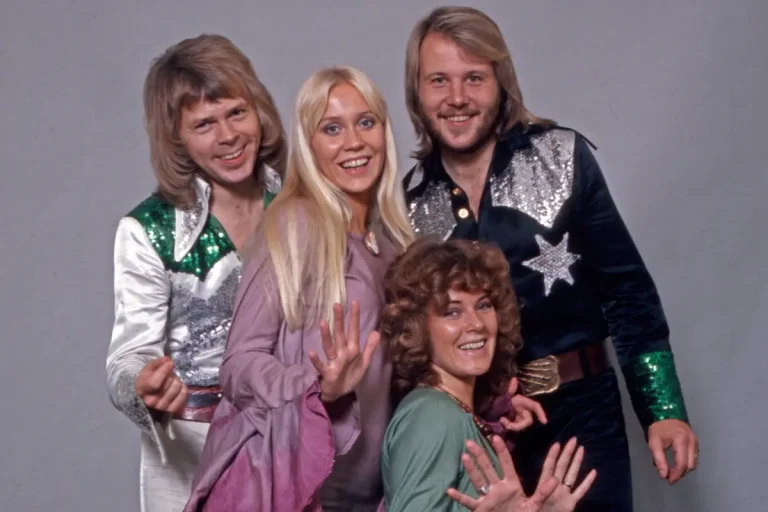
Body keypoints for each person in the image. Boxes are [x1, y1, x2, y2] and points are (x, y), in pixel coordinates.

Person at [402, 7, 699, 511]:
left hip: (584, 413)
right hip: (480, 428)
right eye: (439, 81)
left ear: (500, 82)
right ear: (418, 92)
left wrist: (663, 408)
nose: (456, 98)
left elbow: (626, 290)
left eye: (473, 78)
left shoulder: (561, 157)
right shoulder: (406, 204)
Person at [183, 65, 414, 512]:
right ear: (309, 146)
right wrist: (317, 386)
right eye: (332, 128)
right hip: (304, 491)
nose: (353, 142)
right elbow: (239, 363)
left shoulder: (393, 244)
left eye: (366, 122)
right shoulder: (298, 224)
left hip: (377, 494)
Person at [105, 34, 286, 512]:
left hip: (292, 447)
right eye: (204, 124)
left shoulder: (299, 205)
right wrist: (142, 385)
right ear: (177, 138)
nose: (227, 136)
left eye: (236, 113)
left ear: (259, 111)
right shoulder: (148, 230)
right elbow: (127, 358)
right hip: (191, 461)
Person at [380, 238, 596, 511]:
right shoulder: (434, 417)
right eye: (452, 312)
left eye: (483, 305)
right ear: (416, 328)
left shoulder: (454, 412)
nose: (476, 324)